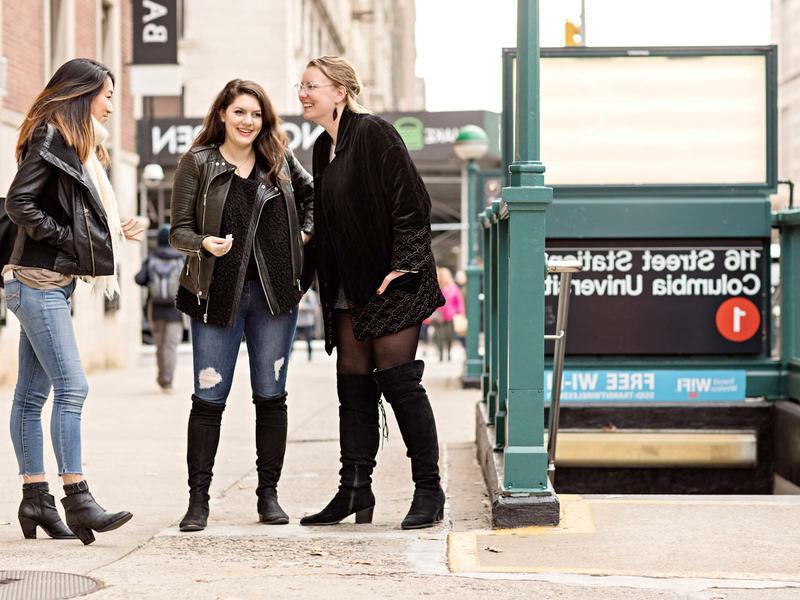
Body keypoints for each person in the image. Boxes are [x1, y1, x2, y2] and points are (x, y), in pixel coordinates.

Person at [297, 56, 446, 530]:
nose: (303, 93)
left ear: (340, 91)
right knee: (353, 386)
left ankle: (429, 489)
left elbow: (411, 202)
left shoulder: (375, 133)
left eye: (312, 86)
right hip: (348, 286)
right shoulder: (323, 147)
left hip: (393, 282)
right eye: (300, 86)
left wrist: (403, 266)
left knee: (400, 383)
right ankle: (354, 490)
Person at [3, 58, 141, 545]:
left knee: (31, 396)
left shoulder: (81, 147)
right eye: (106, 94)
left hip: (49, 282)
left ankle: (35, 498)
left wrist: (112, 230)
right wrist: (67, 240)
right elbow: (20, 202)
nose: (110, 103)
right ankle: (77, 497)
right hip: (37, 281)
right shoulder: (50, 135)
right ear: (82, 93)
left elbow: (73, 211)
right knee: (73, 388)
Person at [170, 79, 314, 531]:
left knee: (271, 396)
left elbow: (314, 199)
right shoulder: (198, 163)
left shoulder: (280, 159)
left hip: (274, 298)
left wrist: (302, 235)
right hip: (215, 296)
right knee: (209, 398)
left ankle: (268, 496)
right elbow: (177, 230)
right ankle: (198, 501)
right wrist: (203, 244)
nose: (248, 122)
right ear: (222, 115)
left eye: (256, 114)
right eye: (240, 113)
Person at [135, 224, 185, 391]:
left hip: (155, 309)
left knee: (160, 345)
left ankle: (162, 375)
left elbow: (139, 279)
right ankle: (167, 380)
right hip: (176, 309)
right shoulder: (180, 259)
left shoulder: (152, 258)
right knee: (171, 346)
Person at [434, 267, 465, 362]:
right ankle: (440, 354)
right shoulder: (437, 286)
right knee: (439, 336)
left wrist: (461, 313)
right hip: (439, 316)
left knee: (449, 336)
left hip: (450, 316)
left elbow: (459, 301)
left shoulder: (453, 288)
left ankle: (448, 352)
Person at [295, 287, 319, 361]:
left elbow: (314, 307)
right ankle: (289, 357)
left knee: (308, 341)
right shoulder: (296, 291)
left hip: (307, 322)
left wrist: (303, 307)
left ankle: (309, 356)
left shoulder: (310, 294)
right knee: (292, 340)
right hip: (298, 322)